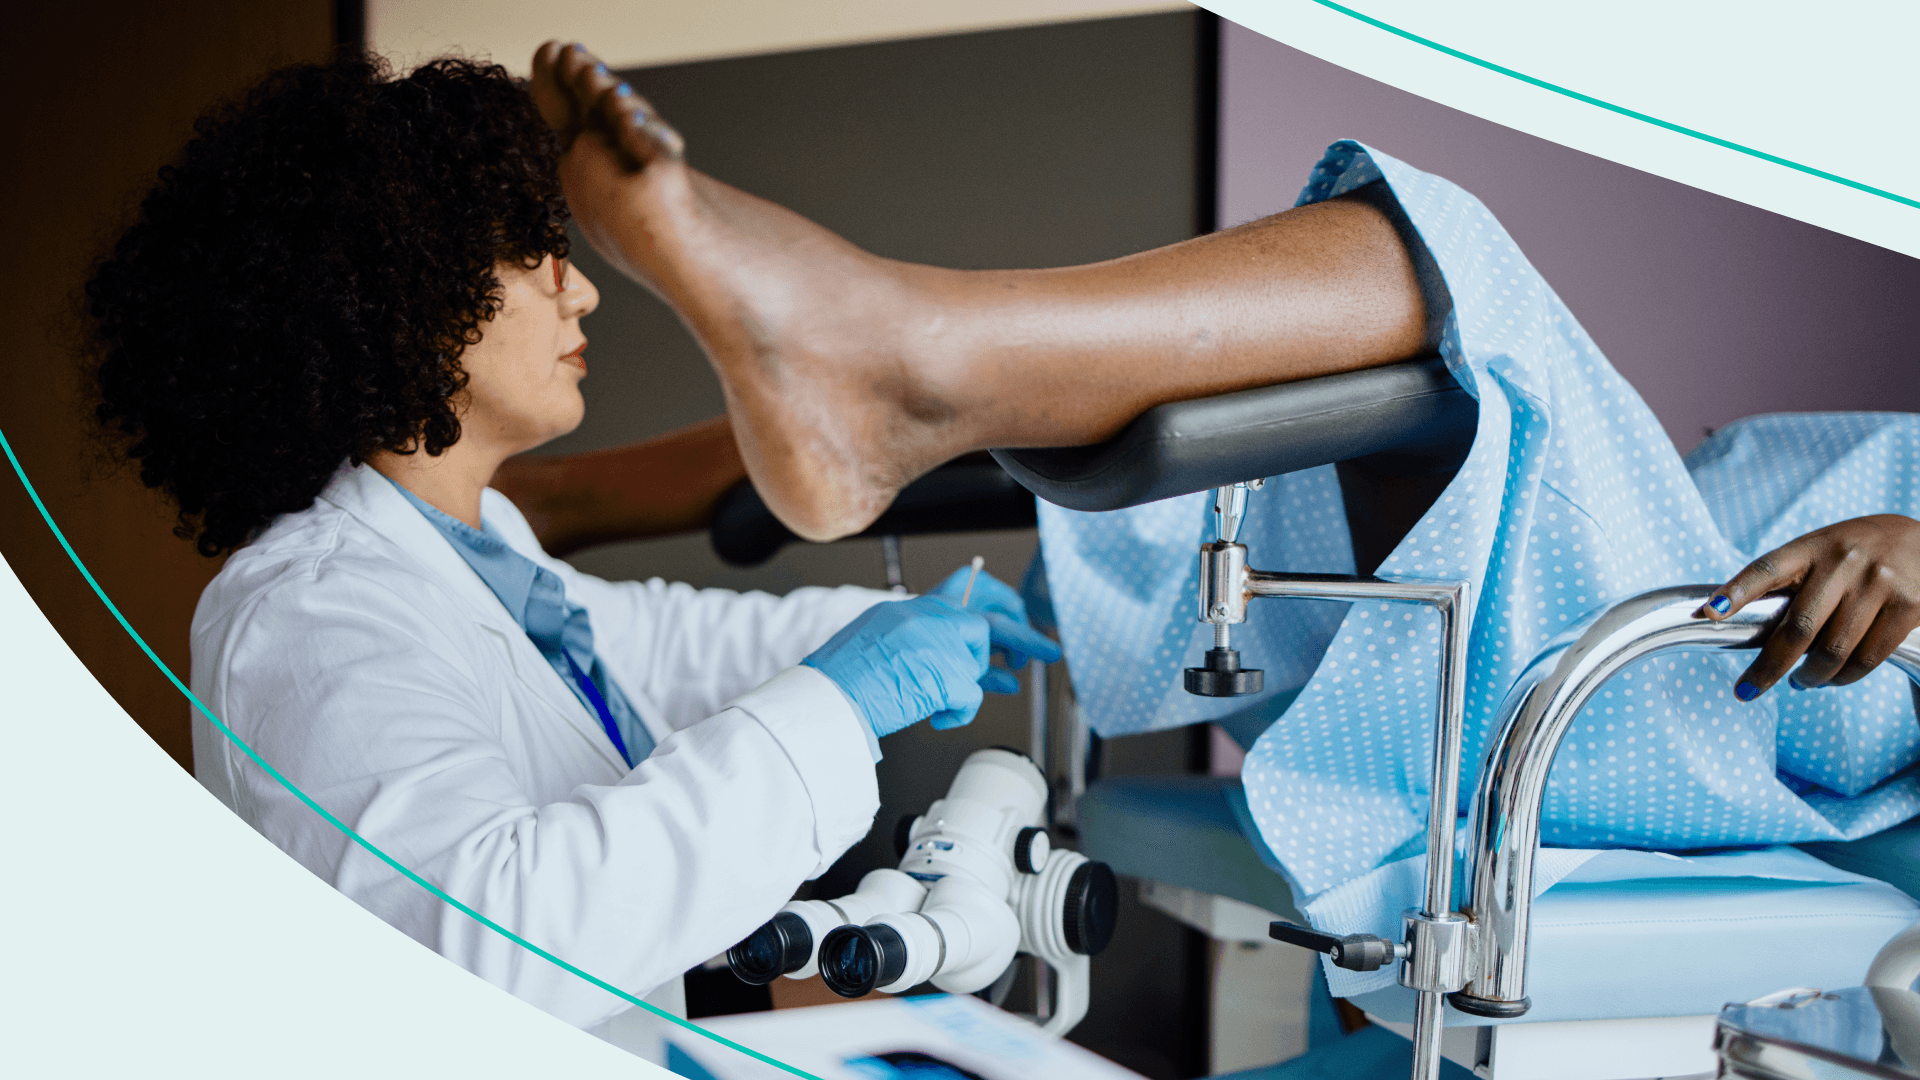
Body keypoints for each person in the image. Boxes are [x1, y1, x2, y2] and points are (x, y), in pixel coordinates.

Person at [86, 55, 1055, 1034]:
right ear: (400, 291)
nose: (582, 293)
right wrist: (843, 699)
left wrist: (885, 627)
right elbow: (487, 940)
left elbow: (647, 645)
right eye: (531, 251)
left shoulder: (471, 537)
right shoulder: (309, 613)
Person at [529, 41, 1920, 708]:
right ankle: (558, 500)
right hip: (1648, 527)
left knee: (1437, 279)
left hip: (1721, 671)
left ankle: (894, 362)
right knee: (1115, 440)